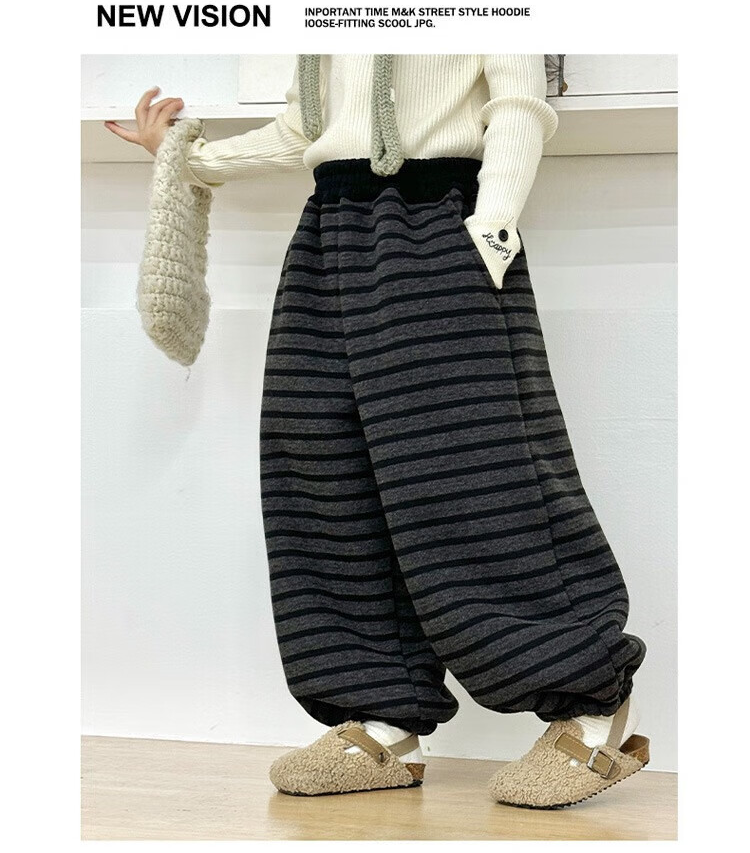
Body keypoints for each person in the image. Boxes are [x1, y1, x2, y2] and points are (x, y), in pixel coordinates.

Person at [107, 54, 649, 809]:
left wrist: (491, 228)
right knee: (322, 468)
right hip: (327, 230)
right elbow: (306, 127)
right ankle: (382, 717)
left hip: (440, 225)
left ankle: (590, 703)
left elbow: (518, 105)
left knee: (470, 471)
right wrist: (187, 159)